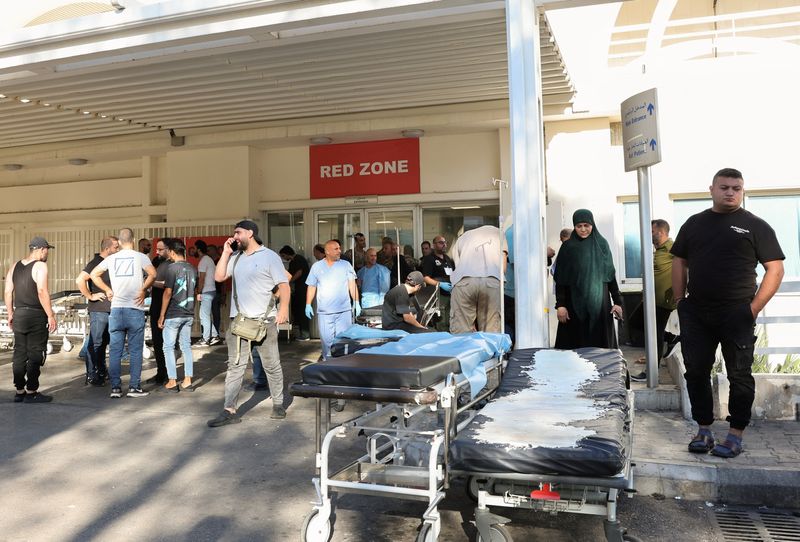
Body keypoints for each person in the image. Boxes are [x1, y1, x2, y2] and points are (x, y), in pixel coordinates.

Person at [672, 168, 784, 459]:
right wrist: (679, 300)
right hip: (696, 312)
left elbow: (775, 268)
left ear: (742, 191)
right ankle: (704, 429)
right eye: (725, 187)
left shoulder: (755, 226)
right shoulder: (694, 224)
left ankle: (735, 435)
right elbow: (680, 261)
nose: (731, 192)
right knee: (695, 371)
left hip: (737, 313)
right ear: (712, 189)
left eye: (737, 188)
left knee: (739, 374)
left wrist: (753, 308)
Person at [207, 220, 289, 426]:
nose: (234, 236)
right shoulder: (235, 257)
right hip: (239, 321)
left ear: (250, 233)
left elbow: (284, 284)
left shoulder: (269, 256)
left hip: (265, 321)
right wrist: (225, 253)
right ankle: (229, 410)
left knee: (272, 365)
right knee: (235, 366)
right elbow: (218, 277)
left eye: (238, 232)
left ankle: (278, 404)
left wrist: (283, 309)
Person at [90, 228, 157, 398]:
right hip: (135, 309)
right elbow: (153, 274)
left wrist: (107, 290)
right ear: (133, 240)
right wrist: (143, 289)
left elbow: (93, 274)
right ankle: (134, 387)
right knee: (135, 350)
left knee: (115, 351)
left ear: (119, 242)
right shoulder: (141, 257)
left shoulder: (111, 258)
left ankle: (115, 388)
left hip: (116, 310)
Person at [553, 210, 623, 349]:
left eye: (586, 225)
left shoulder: (601, 245)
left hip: (600, 305)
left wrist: (618, 302)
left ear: (592, 225)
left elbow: (609, 275)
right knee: (574, 349)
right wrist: (560, 305)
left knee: (600, 349)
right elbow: (561, 279)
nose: (583, 229)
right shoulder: (568, 248)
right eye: (579, 226)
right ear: (574, 226)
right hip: (573, 305)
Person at [4, 237, 58, 403]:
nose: (47, 253)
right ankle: (31, 391)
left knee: (19, 353)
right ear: (41, 249)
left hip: (19, 314)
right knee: (36, 353)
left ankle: (19, 391)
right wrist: (50, 315)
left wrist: (11, 313)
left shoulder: (15, 266)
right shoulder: (40, 265)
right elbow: (42, 290)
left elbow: (7, 292)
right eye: (47, 249)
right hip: (35, 315)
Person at [628, 219, 679, 377]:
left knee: (654, 334)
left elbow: (687, 265)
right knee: (635, 322)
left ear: (661, 232)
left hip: (664, 300)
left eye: (651, 231)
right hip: (651, 299)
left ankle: (651, 372)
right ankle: (671, 337)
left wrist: (678, 291)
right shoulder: (658, 250)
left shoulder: (672, 247)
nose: (648, 235)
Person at [75, 236, 119, 386]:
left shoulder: (112, 262)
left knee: (105, 342)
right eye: (115, 247)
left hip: (111, 309)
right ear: (107, 248)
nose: (117, 250)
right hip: (99, 310)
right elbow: (80, 280)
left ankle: (101, 370)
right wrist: (90, 296)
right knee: (96, 342)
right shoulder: (95, 263)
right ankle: (92, 374)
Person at [305, 240, 360, 360]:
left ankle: (344, 366)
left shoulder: (346, 265)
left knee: (343, 341)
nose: (339, 251)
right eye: (336, 249)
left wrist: (356, 302)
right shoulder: (317, 267)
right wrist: (308, 304)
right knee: (327, 343)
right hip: (325, 312)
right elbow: (311, 286)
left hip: (344, 311)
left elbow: (352, 285)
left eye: (339, 248)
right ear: (327, 251)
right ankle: (328, 366)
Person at [449, 225, 506, 334]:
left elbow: (458, 265)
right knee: (491, 330)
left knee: (461, 329)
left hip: (464, 282)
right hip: (491, 281)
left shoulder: (463, 237)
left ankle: (465, 350)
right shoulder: (498, 233)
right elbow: (503, 264)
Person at [158, 238, 197, 393]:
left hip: (173, 313)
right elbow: (195, 290)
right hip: (188, 313)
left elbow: (168, 292)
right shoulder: (193, 268)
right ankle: (188, 381)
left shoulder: (171, 268)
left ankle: (172, 381)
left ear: (173, 252)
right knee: (186, 346)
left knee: (168, 347)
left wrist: (162, 315)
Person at [145, 238, 170, 385]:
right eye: (157, 249)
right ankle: (161, 372)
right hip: (155, 306)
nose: (157, 251)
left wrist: (150, 281)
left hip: (168, 308)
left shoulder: (173, 265)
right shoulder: (155, 261)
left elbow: (168, 286)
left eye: (160, 249)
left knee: (169, 343)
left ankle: (171, 374)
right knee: (157, 342)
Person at [420, 235, 455, 332]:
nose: (444, 245)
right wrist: (440, 284)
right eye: (441, 242)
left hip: (450, 294)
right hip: (438, 296)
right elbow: (425, 278)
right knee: (441, 321)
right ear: (434, 245)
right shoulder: (429, 259)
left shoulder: (447, 259)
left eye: (445, 242)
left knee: (450, 319)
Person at [279, 245, 311, 341]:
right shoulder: (294, 261)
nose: (284, 258)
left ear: (287, 254)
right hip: (298, 289)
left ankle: (305, 334)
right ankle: (300, 333)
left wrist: (290, 281)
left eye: (283, 256)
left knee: (302, 311)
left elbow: (299, 272)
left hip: (302, 289)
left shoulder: (298, 259)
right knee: (298, 311)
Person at [194, 240, 221, 347]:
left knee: (204, 315)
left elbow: (201, 279)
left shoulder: (204, 261)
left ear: (199, 249)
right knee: (205, 315)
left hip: (206, 291)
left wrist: (199, 292)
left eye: (195, 248)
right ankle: (215, 336)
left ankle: (206, 339)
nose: (194, 250)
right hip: (211, 290)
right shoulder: (208, 259)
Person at [207, 244, 224, 338]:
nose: (208, 252)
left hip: (217, 291)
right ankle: (208, 334)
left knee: (216, 314)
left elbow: (223, 280)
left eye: (209, 250)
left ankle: (215, 334)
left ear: (214, 250)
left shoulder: (219, 261)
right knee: (206, 314)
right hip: (209, 290)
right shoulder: (209, 262)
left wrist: (223, 294)